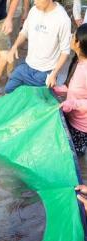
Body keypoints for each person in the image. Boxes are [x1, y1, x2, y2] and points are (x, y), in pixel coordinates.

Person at [5, 0, 70, 94]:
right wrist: (14, 46)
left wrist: (54, 74)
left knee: (37, 102)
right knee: (9, 90)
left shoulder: (62, 19)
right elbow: (24, 32)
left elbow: (65, 51)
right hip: (26, 66)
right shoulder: (34, 11)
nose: (34, 2)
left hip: (46, 72)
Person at [59, 24, 87, 156]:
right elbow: (71, 87)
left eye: (73, 36)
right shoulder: (77, 61)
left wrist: (73, 104)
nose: (71, 37)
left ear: (78, 43)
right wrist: (55, 89)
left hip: (81, 128)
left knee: (74, 160)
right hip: (71, 118)